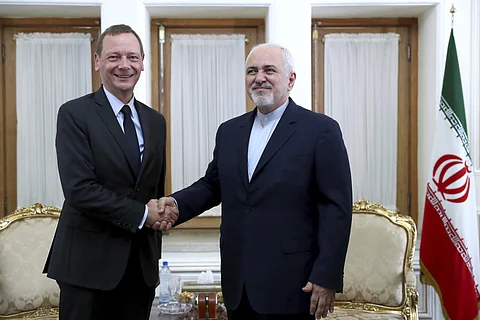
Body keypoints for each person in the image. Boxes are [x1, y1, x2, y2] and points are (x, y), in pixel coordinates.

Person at [160, 43, 352, 319]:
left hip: (294, 284)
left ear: (291, 79)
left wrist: (327, 276)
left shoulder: (321, 130)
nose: (259, 77)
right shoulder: (229, 131)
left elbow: (337, 208)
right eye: (252, 71)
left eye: (269, 70)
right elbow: (212, 185)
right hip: (239, 284)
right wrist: (175, 205)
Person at [43, 24, 178, 320]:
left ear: (142, 62)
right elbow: (79, 189)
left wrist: (154, 247)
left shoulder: (156, 122)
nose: (124, 65)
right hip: (86, 268)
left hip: (139, 270)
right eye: (114, 57)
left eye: (132, 57)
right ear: (97, 62)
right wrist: (144, 214)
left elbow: (153, 190)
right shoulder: (74, 114)